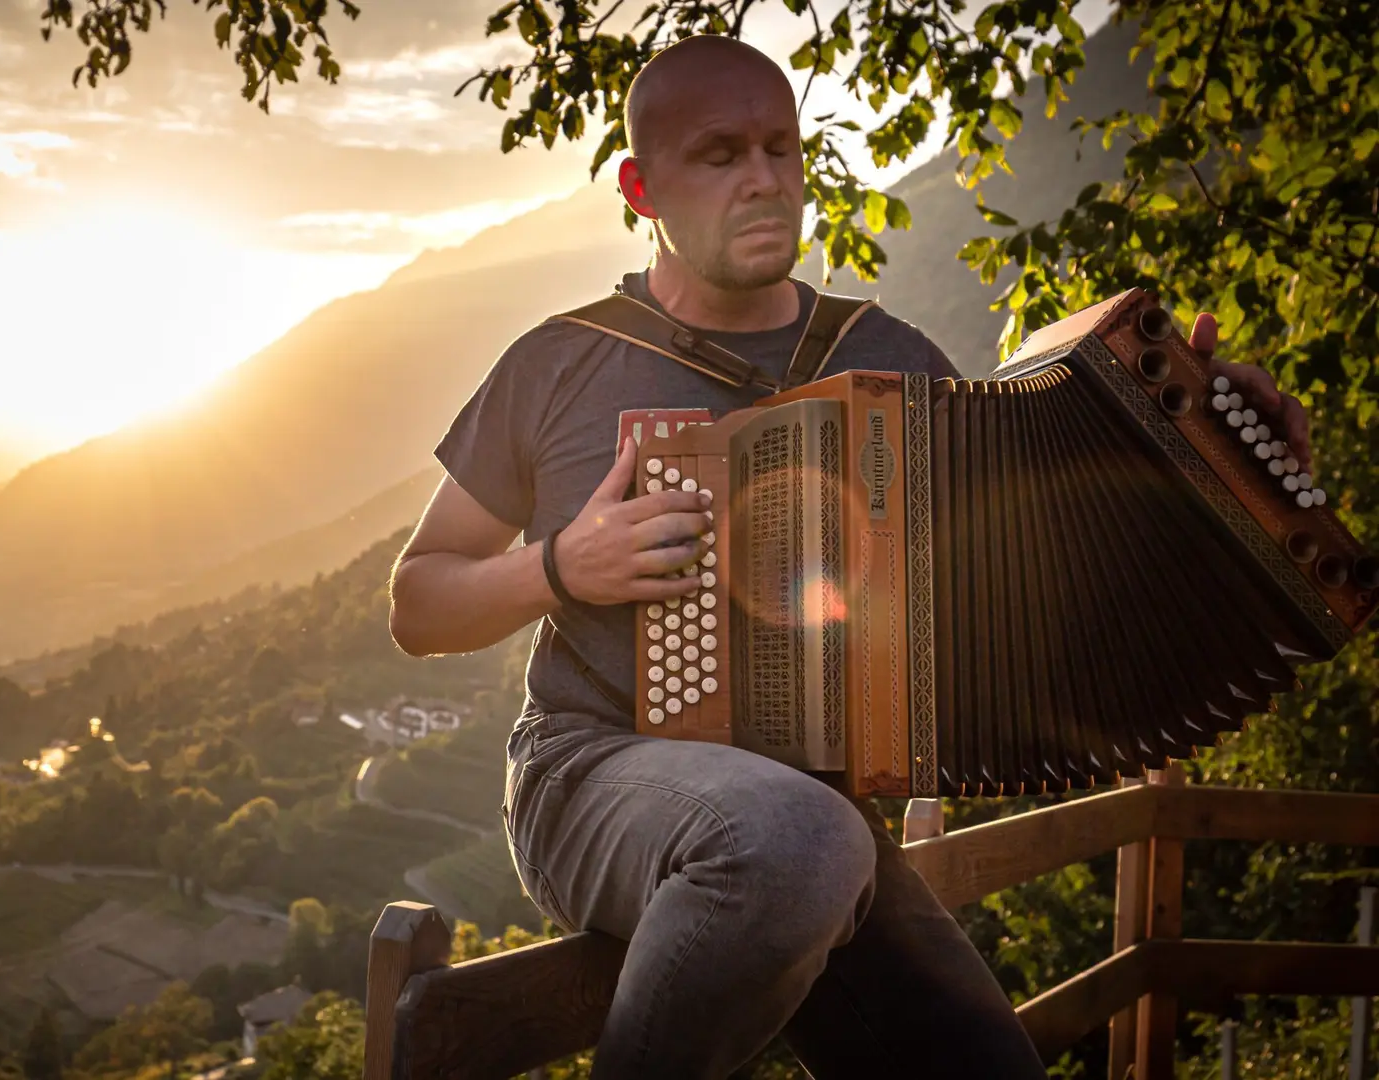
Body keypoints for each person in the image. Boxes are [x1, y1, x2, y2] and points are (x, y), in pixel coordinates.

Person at [387, 33, 1311, 1080]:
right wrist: (557, 568)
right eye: (722, 153)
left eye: (782, 149)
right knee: (799, 845)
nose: (764, 179)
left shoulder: (893, 359)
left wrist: (1232, 474)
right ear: (643, 187)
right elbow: (418, 604)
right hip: (587, 770)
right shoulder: (557, 361)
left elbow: (1045, 574)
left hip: (818, 811)